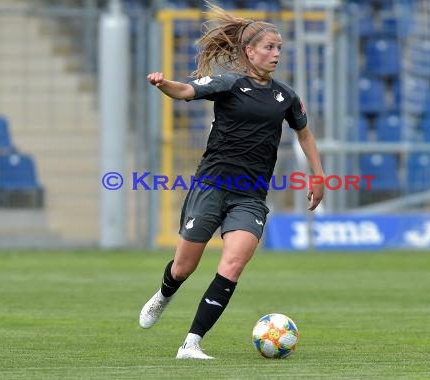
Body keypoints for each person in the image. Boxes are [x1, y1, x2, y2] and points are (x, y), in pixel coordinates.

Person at [139, 1, 325, 359]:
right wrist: (164, 84)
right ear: (249, 51)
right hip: (211, 186)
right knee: (184, 267)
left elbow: (305, 135)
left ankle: (191, 343)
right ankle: (164, 294)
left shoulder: (285, 96)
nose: (276, 54)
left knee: (233, 264)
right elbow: (186, 91)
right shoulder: (228, 84)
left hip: (250, 197)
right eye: (269, 48)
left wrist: (319, 176)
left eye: (279, 48)